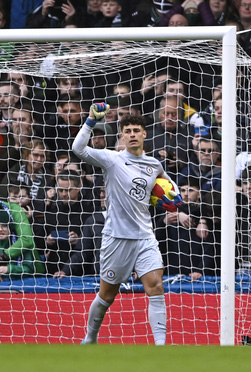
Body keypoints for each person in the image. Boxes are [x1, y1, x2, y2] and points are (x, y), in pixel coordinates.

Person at [72, 104, 183, 345]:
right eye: (128, 131)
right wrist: (91, 121)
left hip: (144, 237)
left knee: (155, 286)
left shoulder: (154, 164)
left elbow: (169, 188)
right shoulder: (111, 160)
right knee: (107, 295)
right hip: (116, 238)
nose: (132, 134)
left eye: (136, 130)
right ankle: (90, 338)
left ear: (145, 134)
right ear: (122, 135)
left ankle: (161, 347)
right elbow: (78, 148)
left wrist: (175, 196)